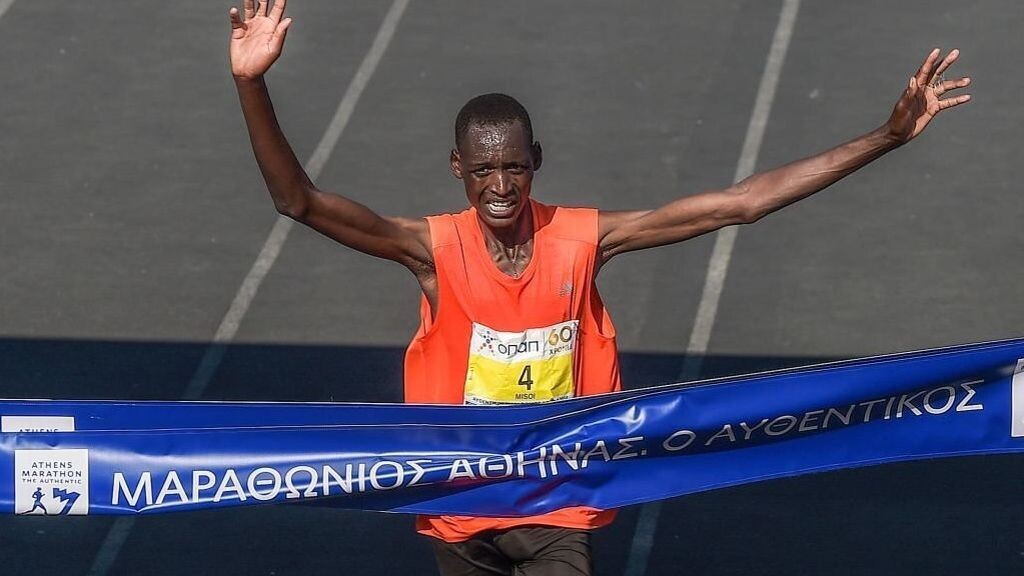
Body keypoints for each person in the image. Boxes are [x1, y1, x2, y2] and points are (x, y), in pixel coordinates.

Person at [228, 1, 971, 574]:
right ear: (457, 168)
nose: (499, 187)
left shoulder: (582, 239)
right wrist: (250, 82)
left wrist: (886, 136)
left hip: (557, 504)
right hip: (461, 504)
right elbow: (300, 201)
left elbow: (740, 203)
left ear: (536, 160)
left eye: (513, 168)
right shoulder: (433, 251)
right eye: (482, 171)